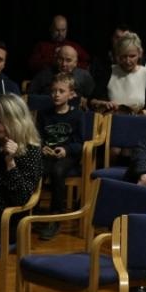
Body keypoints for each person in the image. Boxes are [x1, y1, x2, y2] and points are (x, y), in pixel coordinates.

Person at [34, 72, 84, 238]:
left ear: (71, 94)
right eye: (54, 91)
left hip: (67, 156)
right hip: (47, 154)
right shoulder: (44, 114)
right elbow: (37, 136)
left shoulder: (77, 115)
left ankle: (55, 218)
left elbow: (81, 143)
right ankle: (30, 211)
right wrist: (42, 147)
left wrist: (66, 150)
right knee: (36, 168)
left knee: (57, 171)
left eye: (61, 91)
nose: (56, 94)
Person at [90, 32, 146, 114]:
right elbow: (91, 101)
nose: (127, 61)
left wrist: (143, 114)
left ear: (140, 54)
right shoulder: (109, 71)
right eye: (123, 56)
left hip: (138, 121)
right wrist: (103, 103)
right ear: (118, 55)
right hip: (113, 119)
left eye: (132, 56)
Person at [25, 14, 90, 77]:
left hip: (71, 80)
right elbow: (32, 65)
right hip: (48, 80)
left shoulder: (74, 46)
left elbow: (86, 63)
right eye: (57, 30)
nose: (60, 33)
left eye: (63, 30)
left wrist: (71, 65)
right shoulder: (42, 45)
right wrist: (54, 60)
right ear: (51, 29)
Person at [28, 44, 97, 99]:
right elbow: (30, 95)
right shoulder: (44, 74)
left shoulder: (84, 76)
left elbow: (92, 98)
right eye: (60, 59)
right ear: (56, 59)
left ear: (75, 63)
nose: (64, 64)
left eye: (68, 60)